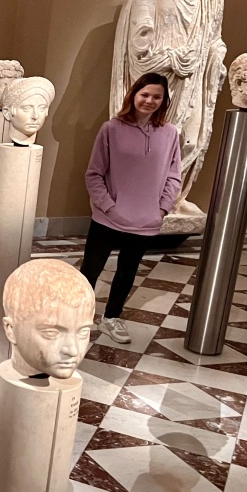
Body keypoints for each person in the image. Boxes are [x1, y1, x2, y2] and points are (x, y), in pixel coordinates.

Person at [81, 72, 181, 344]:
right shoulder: (111, 129)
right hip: (108, 217)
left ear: (164, 101)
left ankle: (111, 318)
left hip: (146, 220)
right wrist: (109, 207)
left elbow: (174, 176)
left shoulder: (170, 133)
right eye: (144, 94)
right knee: (91, 269)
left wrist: (162, 209)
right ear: (134, 95)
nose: (149, 100)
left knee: (127, 272)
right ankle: (79, 317)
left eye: (157, 97)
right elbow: (94, 174)